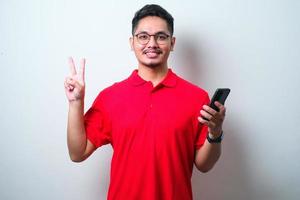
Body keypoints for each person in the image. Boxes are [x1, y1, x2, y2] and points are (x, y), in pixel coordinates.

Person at [64, 4, 226, 200]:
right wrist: (76, 102)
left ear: (172, 43)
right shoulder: (110, 96)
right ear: (132, 42)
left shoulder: (197, 98)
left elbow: (204, 165)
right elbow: (77, 152)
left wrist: (215, 133)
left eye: (161, 36)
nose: (152, 44)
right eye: (143, 37)